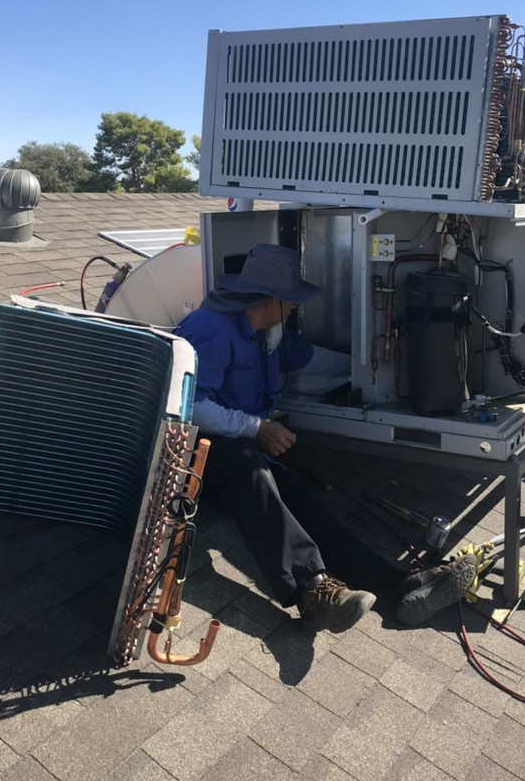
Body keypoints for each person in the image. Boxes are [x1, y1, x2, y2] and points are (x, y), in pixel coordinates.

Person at [175, 243, 477, 633]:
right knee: (248, 467)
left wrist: (371, 370)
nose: (295, 307)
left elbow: (313, 359)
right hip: (195, 456)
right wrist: (258, 428)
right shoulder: (209, 330)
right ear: (272, 299)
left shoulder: (266, 334)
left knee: (304, 498)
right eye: (291, 300)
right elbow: (190, 405)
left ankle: (400, 585)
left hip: (245, 452)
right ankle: (312, 592)